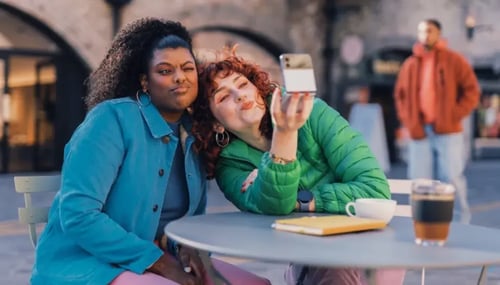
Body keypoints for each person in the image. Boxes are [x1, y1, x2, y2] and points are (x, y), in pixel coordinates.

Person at [30, 18, 270, 285]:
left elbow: (190, 219)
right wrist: (161, 263)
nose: (179, 77)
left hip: (159, 255)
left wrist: (192, 253)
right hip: (89, 263)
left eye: (187, 68)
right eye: (165, 71)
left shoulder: (194, 133)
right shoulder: (110, 121)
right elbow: (78, 214)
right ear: (145, 81)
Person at [192, 48, 404, 285]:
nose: (239, 95)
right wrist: (285, 132)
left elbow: (375, 190)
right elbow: (274, 205)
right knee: (330, 263)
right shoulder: (229, 164)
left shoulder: (314, 112)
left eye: (242, 85)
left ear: (258, 90)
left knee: (333, 263)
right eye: (223, 97)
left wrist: (301, 201)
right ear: (215, 124)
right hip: (312, 256)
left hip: (369, 247)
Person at [394, 19, 480, 214]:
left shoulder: (454, 60)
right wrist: (409, 121)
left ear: (438, 34)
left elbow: (472, 91)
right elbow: (400, 96)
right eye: (421, 31)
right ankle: (421, 221)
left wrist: (454, 115)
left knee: (451, 179)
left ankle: (461, 223)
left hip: (448, 131)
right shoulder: (410, 64)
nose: (425, 35)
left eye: (429, 31)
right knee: (419, 181)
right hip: (419, 131)